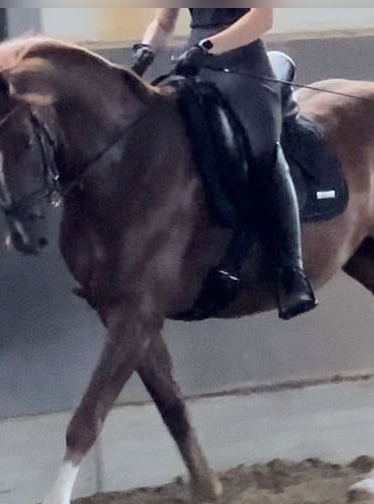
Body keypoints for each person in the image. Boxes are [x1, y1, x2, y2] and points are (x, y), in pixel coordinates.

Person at [131, 8, 318, 321]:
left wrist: (207, 47)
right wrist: (146, 50)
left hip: (244, 70)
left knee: (263, 152)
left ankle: (291, 272)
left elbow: (262, 18)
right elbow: (164, 21)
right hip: (196, 71)